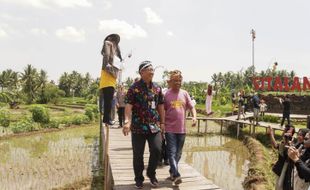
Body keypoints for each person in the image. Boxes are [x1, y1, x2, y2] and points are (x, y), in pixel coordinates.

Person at [122, 61, 165, 189]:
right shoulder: (133, 88)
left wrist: (162, 122)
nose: (152, 72)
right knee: (138, 154)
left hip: (154, 126)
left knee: (157, 149)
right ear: (141, 72)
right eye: (149, 70)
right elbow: (128, 106)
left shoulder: (157, 88)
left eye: (152, 70)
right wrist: (127, 122)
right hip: (138, 127)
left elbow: (160, 106)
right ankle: (139, 179)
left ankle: (151, 173)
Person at [164, 70, 197, 185]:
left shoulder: (185, 93)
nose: (178, 82)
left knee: (178, 154)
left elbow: (192, 107)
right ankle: (177, 175)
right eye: (175, 80)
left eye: (179, 80)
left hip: (181, 129)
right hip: (169, 129)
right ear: (170, 82)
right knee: (172, 153)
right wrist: (161, 124)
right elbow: (161, 111)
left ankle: (172, 171)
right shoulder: (166, 94)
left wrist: (194, 117)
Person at [99, 34, 123, 126]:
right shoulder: (108, 44)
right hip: (107, 78)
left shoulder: (116, 51)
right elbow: (106, 56)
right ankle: (106, 119)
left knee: (108, 100)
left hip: (112, 78)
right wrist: (107, 66)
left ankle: (107, 118)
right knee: (108, 101)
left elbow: (118, 60)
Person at [268, 125, 295, 190]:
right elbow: (276, 146)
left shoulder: (293, 145)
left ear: (292, 134)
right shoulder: (283, 143)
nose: (286, 133)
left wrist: (289, 144)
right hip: (280, 170)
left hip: (287, 173)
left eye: (289, 132)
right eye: (285, 131)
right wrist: (271, 134)